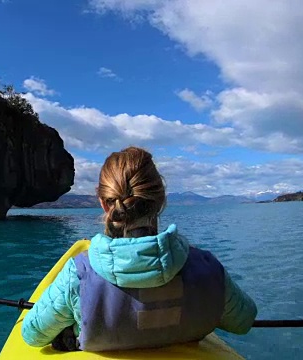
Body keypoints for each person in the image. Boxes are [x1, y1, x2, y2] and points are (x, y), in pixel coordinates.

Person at [21, 146, 258, 352]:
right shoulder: (208, 269)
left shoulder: (78, 274)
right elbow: (244, 321)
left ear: (104, 203)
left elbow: (32, 336)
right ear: (161, 200)